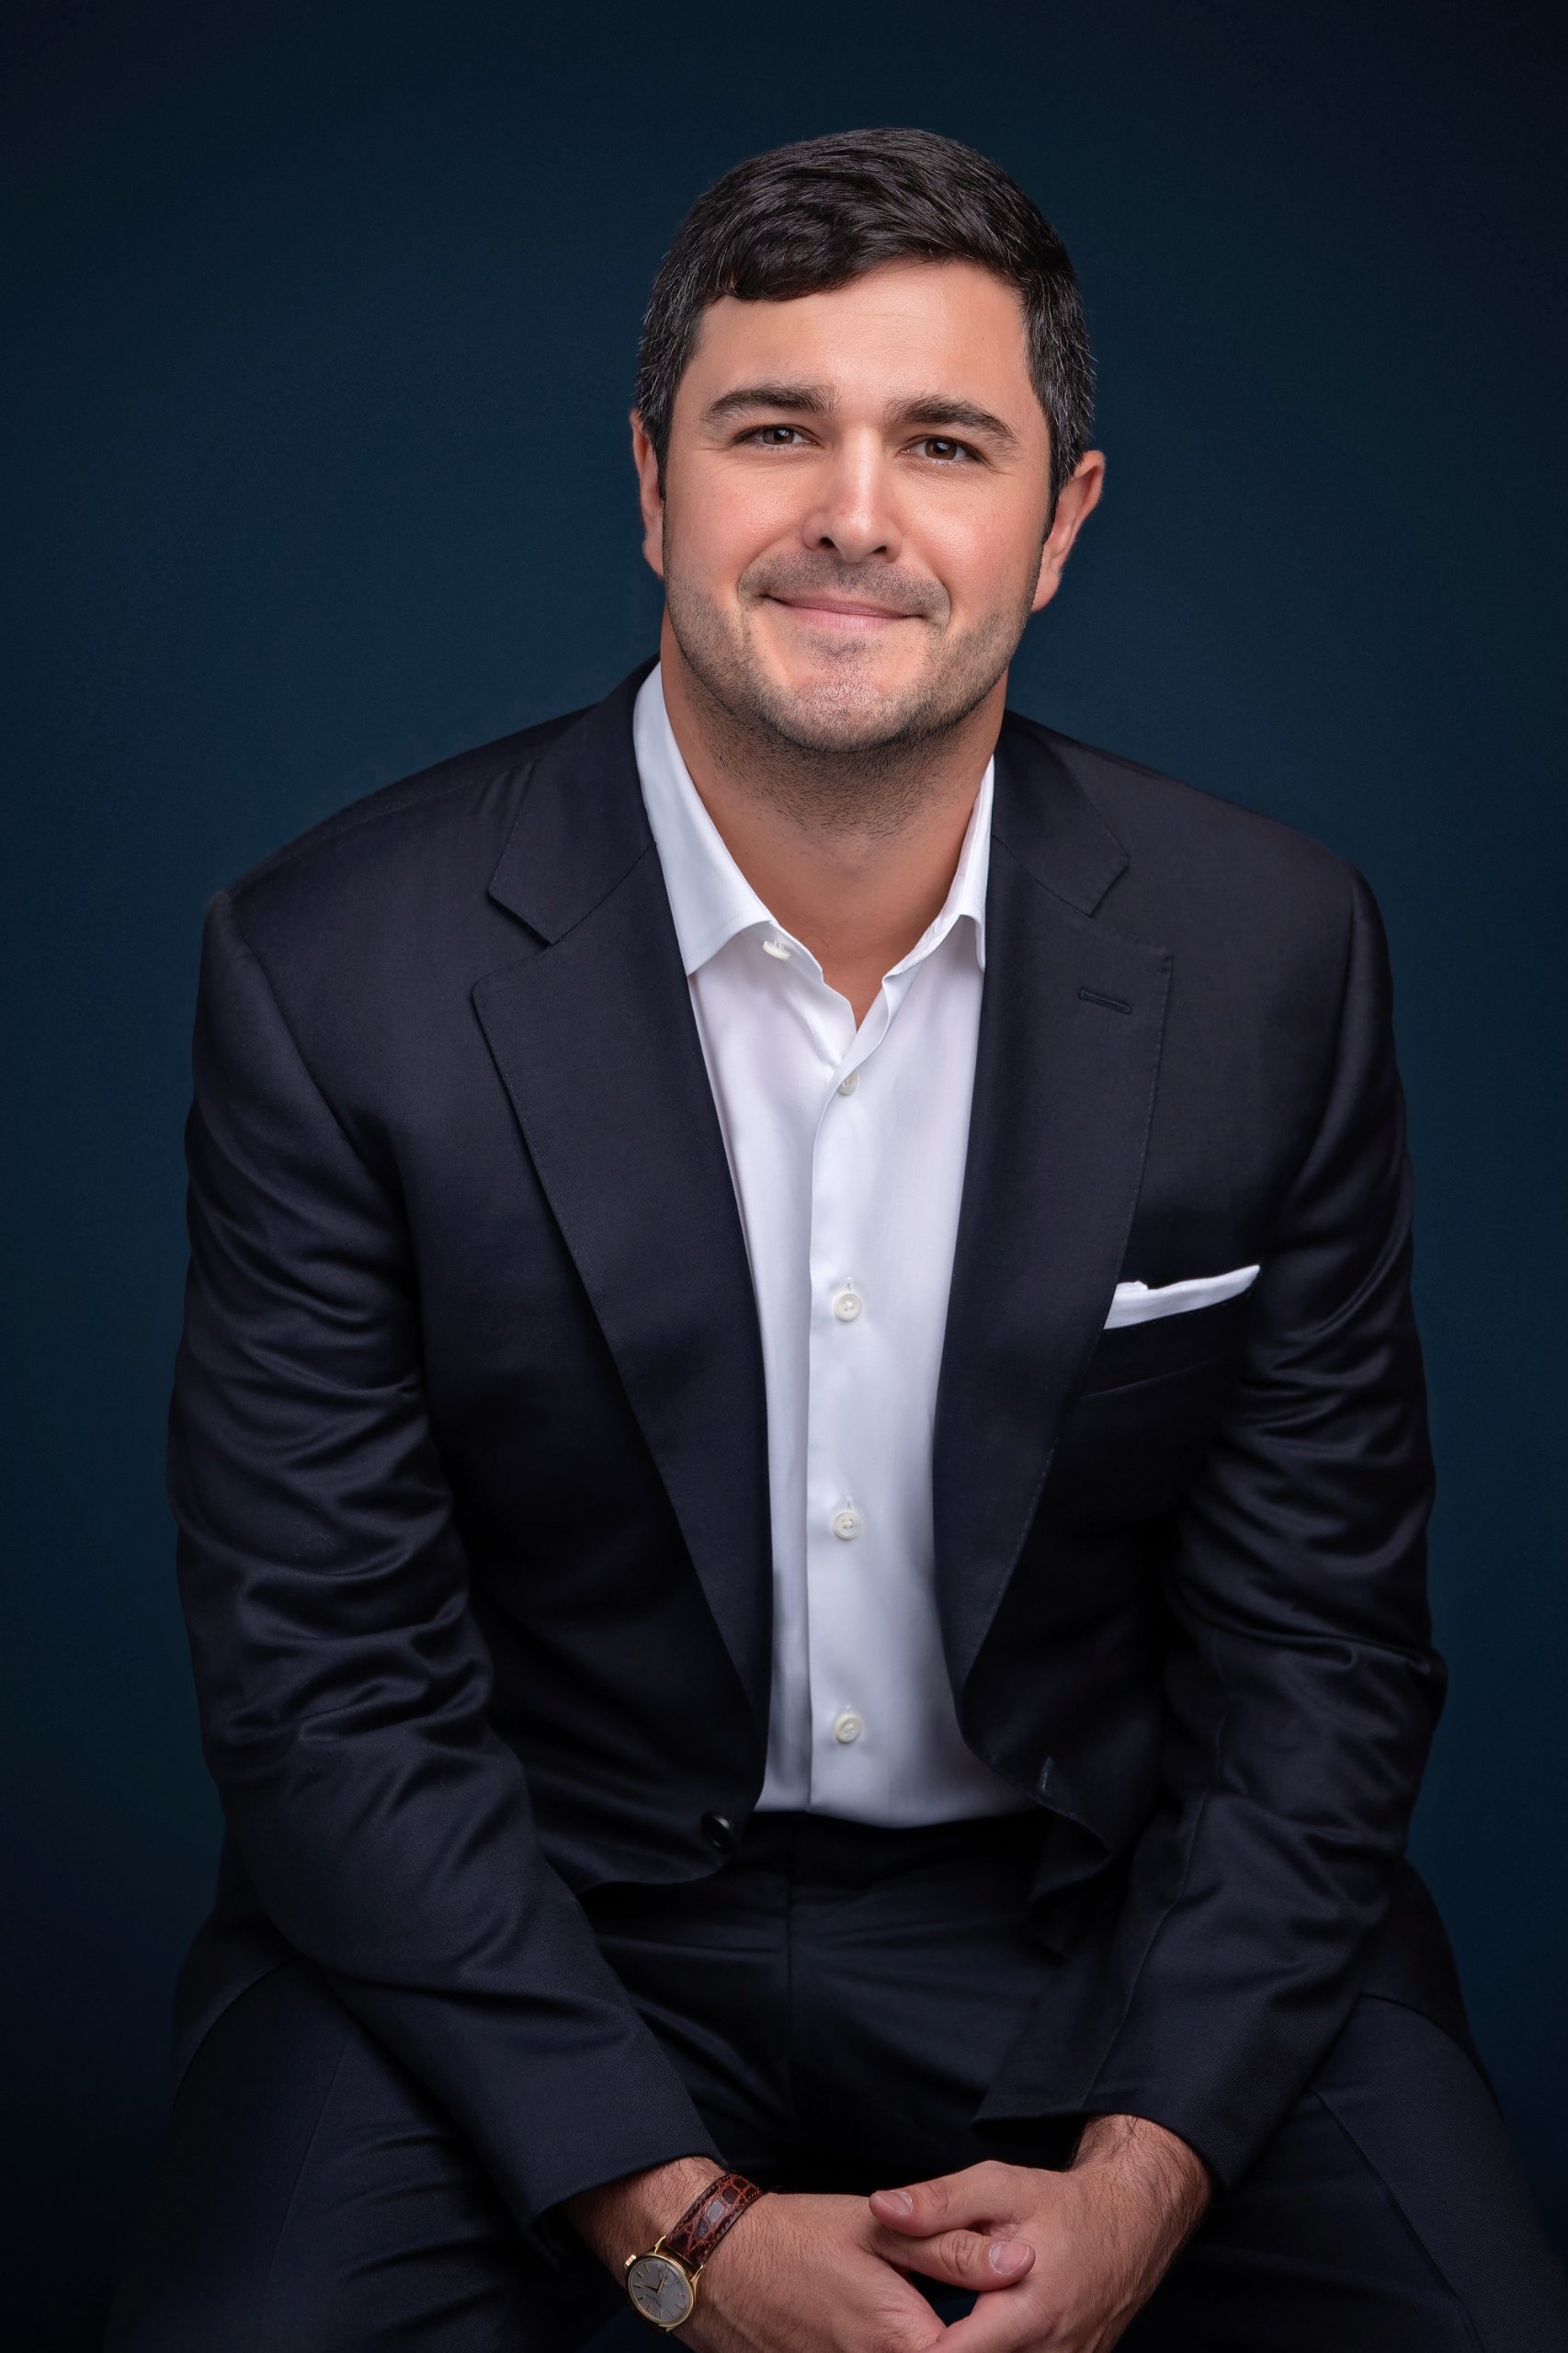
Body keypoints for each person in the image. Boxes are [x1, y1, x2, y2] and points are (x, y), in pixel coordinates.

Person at [108, 128, 1568, 2352]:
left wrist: (1143, 2180)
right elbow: (326, 1689)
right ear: (650, 483)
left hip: (1103, 1921)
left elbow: (1319, 1663)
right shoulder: (336, 968)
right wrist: (680, 2225)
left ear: (1060, 522)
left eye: (946, 441)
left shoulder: (1274, 953)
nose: (853, 516)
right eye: (772, 427)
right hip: (530, 1919)